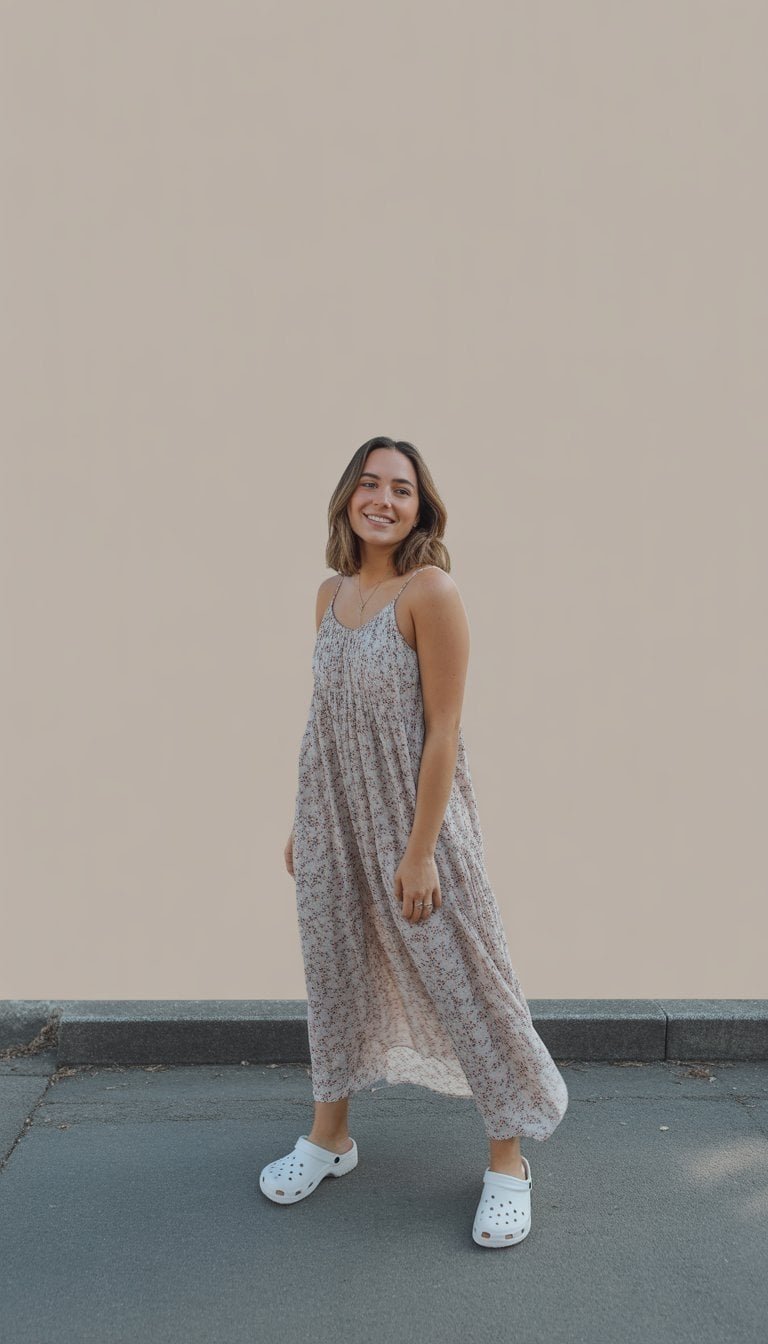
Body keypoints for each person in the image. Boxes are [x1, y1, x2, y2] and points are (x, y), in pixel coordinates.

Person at [259, 436, 569, 1247]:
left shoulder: (431, 591)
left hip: (414, 822)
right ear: (347, 500)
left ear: (420, 506)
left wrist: (422, 848)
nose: (383, 500)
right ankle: (331, 1138)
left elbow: (443, 731)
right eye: (369, 485)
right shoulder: (327, 595)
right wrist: (306, 817)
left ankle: (509, 1160)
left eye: (401, 488)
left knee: (462, 976)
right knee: (331, 970)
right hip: (334, 817)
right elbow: (325, 721)